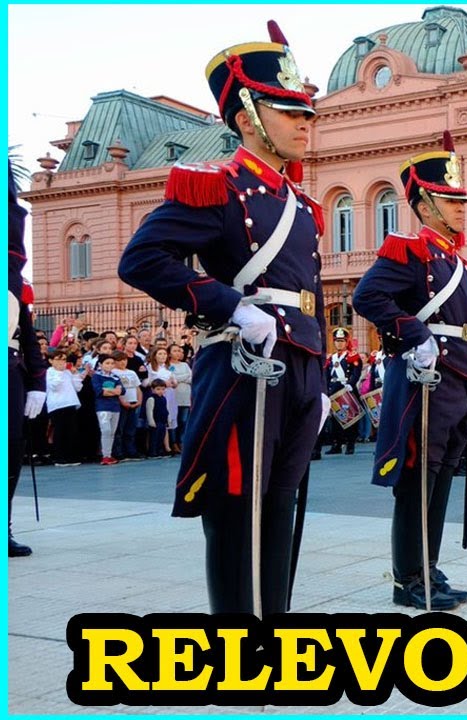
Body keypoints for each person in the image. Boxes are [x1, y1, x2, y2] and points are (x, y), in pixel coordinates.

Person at [117, 21, 326, 614]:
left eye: (305, 112)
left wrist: (322, 372)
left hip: (298, 365)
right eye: (288, 111)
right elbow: (142, 260)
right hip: (243, 365)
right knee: (236, 509)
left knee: (282, 504)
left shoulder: (301, 205)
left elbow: (305, 292)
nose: (304, 123)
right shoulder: (219, 186)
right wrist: (227, 303)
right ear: (246, 117)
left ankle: (275, 633)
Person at [351, 134, 467, 611]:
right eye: (449, 199)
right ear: (424, 204)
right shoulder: (409, 250)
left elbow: (465, 329)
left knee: (442, 476)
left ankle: (428, 564)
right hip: (422, 382)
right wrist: (414, 334)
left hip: (455, 381)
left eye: (460, 198)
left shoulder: (460, 263)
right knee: (416, 480)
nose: (460, 206)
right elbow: (367, 298)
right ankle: (408, 578)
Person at [9, 163, 48, 557]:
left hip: (11, 371)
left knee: (12, 446)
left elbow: (27, 335)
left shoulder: (15, 282)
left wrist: (36, 381)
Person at [324, 328, 362, 455]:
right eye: (337, 341)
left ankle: (350, 444)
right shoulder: (331, 358)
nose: (339, 343)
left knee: (350, 418)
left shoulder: (352, 356)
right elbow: (327, 375)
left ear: (346, 342)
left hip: (347, 389)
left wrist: (351, 384)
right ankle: (337, 444)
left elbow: (356, 372)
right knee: (335, 419)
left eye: (342, 341)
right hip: (334, 390)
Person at [45, 350, 84, 467]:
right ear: (51, 361)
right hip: (57, 405)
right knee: (60, 430)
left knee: (71, 430)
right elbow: (54, 386)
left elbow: (78, 387)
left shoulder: (68, 372)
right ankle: (59, 457)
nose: (62, 362)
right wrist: (60, 372)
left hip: (70, 403)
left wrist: (76, 374)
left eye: (64, 359)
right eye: (58, 359)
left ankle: (70, 456)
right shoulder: (50, 372)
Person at [91, 353, 124, 465]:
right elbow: (100, 391)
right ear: (100, 364)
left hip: (115, 407)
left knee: (112, 432)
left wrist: (110, 391)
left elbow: (121, 391)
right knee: (106, 430)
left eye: (112, 363)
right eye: (107, 363)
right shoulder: (97, 376)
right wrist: (114, 391)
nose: (110, 365)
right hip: (102, 407)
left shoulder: (115, 377)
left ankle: (109, 455)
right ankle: (105, 455)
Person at [168, 344, 192, 454]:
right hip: (174, 396)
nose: (178, 353)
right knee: (174, 420)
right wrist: (184, 377)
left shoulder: (185, 365)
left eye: (179, 351)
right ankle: (173, 443)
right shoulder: (168, 365)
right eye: (175, 351)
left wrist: (180, 378)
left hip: (186, 396)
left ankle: (181, 441)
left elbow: (192, 377)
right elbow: (172, 378)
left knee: (184, 420)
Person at [144, 380, 172, 458]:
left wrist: (167, 419)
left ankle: (159, 451)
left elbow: (165, 409)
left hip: (163, 421)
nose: (161, 391)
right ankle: (152, 452)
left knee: (161, 436)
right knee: (154, 437)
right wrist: (151, 421)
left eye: (163, 389)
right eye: (158, 389)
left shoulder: (163, 398)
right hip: (156, 421)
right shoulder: (151, 399)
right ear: (153, 389)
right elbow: (149, 410)